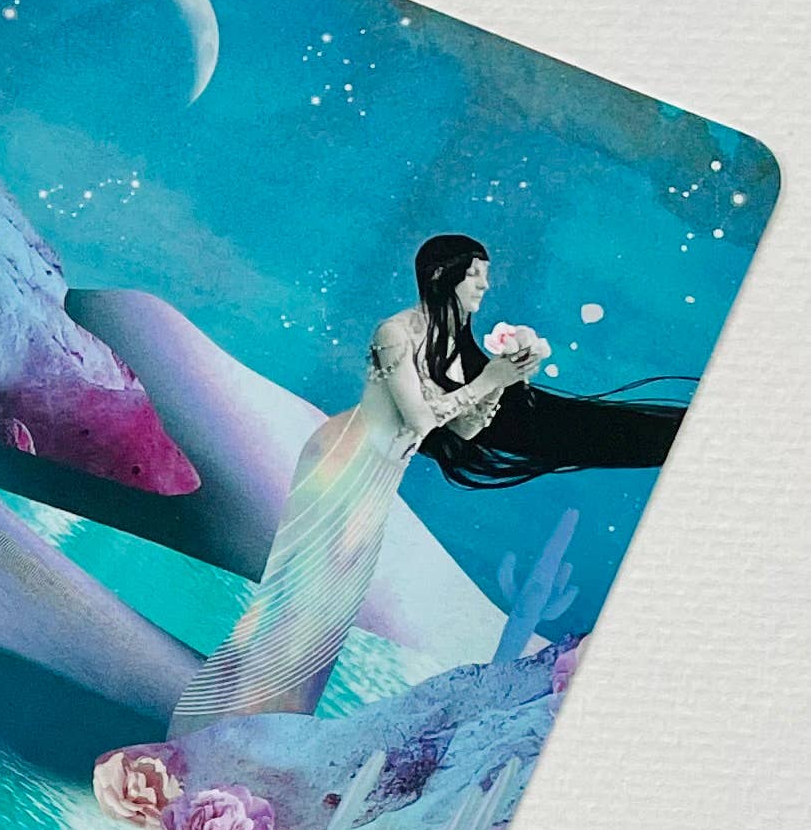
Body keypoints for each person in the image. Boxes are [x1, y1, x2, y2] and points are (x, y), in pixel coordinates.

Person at [165, 235, 683, 732]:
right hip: (347, 459)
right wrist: (490, 380)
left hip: (381, 471)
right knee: (302, 592)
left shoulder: (450, 344)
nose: (484, 286)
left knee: (332, 603)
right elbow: (418, 419)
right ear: (442, 276)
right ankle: (222, 717)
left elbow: (464, 429)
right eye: (474, 275)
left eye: (485, 276)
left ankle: (265, 721)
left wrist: (505, 380)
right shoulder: (397, 333)